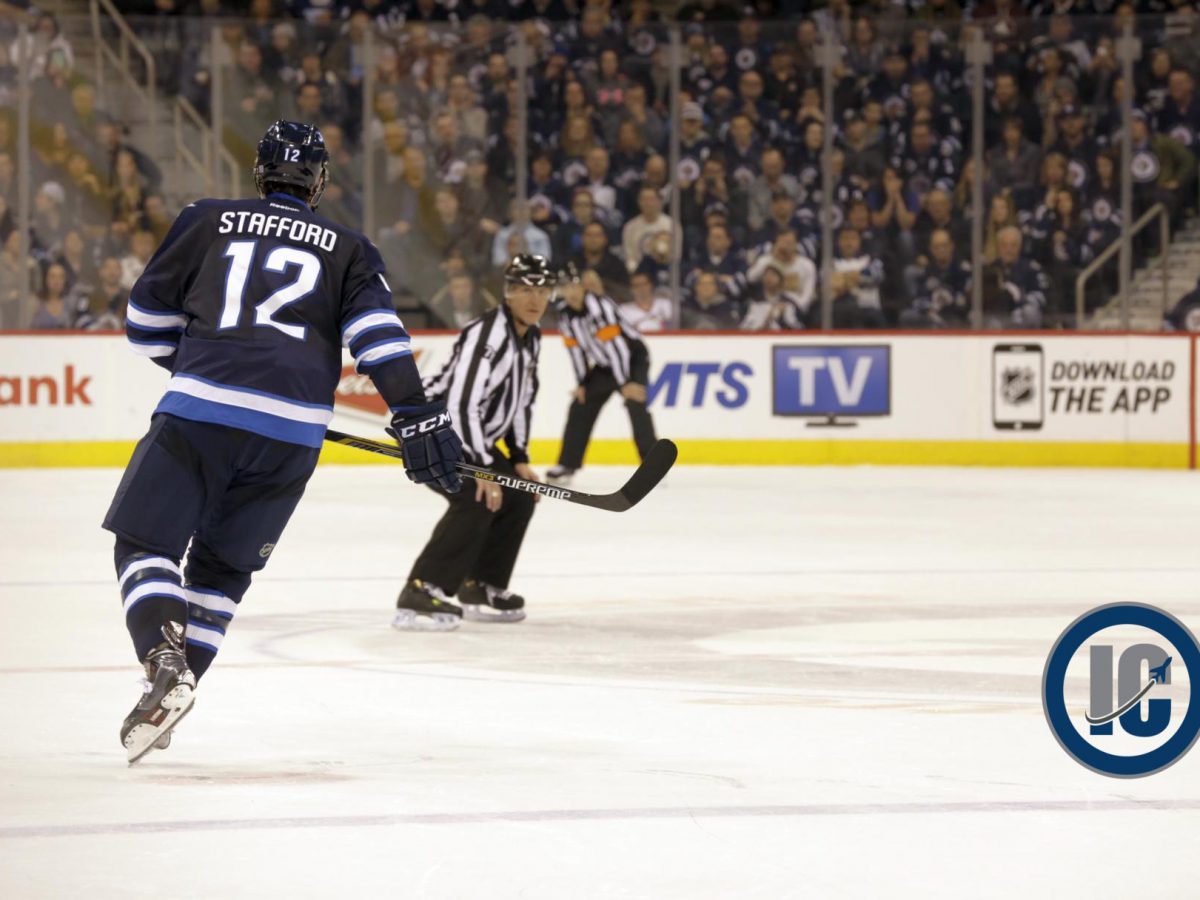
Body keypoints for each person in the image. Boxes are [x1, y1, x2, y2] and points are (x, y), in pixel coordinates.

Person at [102, 121, 464, 763]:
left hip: (202, 410)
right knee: (222, 573)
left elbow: (145, 324)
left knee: (146, 543)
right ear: (318, 182)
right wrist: (413, 411)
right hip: (292, 434)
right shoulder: (350, 247)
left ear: (259, 173)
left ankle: (164, 663)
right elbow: (378, 337)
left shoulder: (205, 219)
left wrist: (204, 362)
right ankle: (174, 695)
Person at [396, 254, 554, 630]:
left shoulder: (530, 337)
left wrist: (518, 458)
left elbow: (521, 400)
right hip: (431, 429)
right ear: (508, 293)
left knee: (518, 496)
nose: (535, 299)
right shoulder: (488, 333)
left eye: (542, 291)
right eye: (525, 290)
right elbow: (460, 404)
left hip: (466, 435)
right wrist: (480, 468)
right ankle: (420, 589)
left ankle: (480, 585)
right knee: (475, 496)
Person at [546, 263, 658, 487]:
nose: (571, 292)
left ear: (582, 286)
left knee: (635, 402)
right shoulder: (565, 314)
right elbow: (576, 351)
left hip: (632, 359)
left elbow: (617, 347)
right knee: (580, 405)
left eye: (574, 286)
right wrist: (582, 383)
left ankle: (652, 466)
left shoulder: (600, 306)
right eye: (565, 287)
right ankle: (567, 464)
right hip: (605, 365)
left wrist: (625, 382)